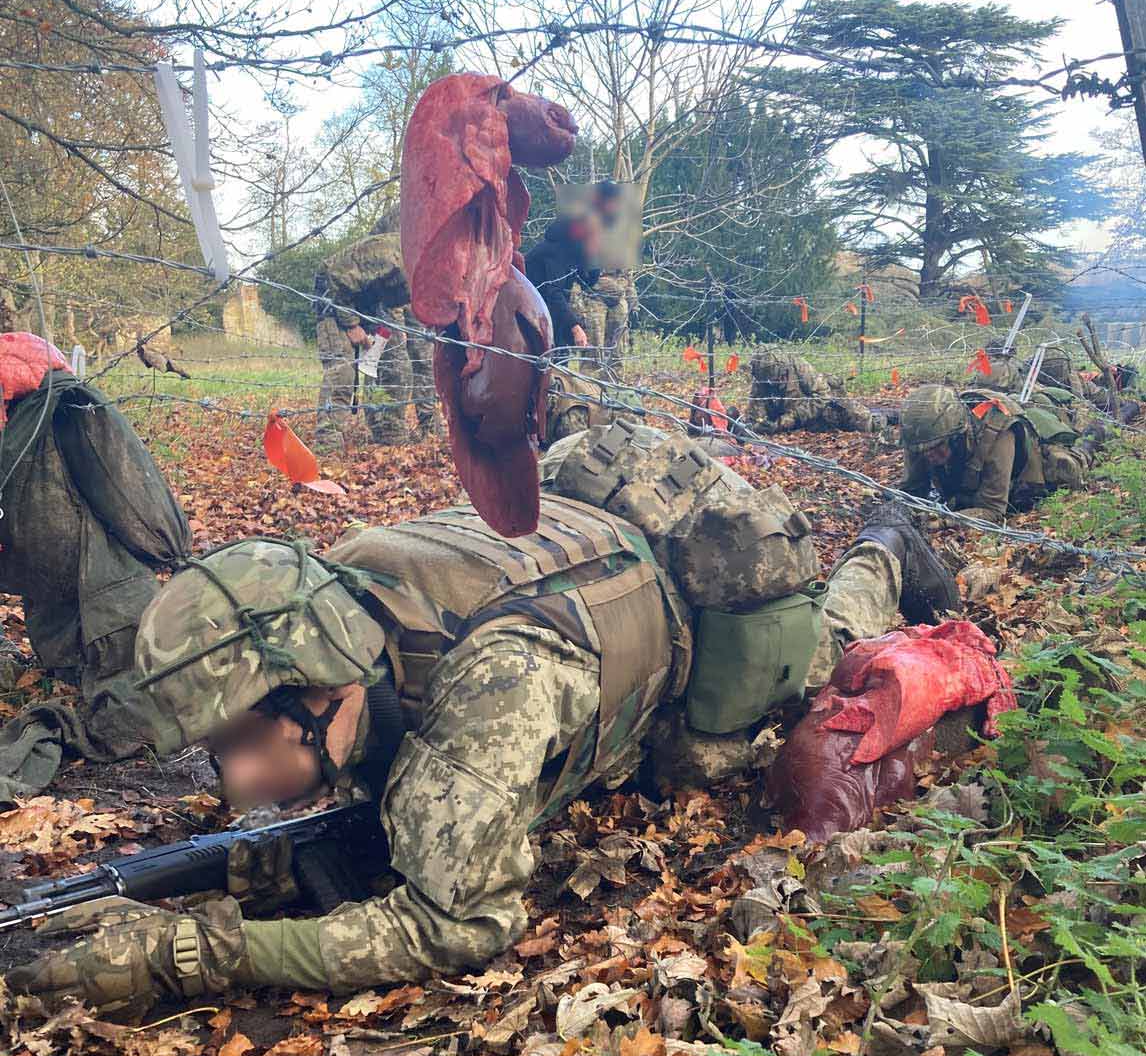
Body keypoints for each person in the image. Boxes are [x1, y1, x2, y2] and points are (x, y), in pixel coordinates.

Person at [6, 424, 959, 1016]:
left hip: (694, 636)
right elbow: (389, 794)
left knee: (808, 663)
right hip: (590, 569)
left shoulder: (485, 693)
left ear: (328, 689)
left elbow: (458, 923)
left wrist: (194, 952)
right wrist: (228, 872)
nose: (236, 783)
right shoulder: (336, 597)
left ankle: (882, 540)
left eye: (248, 743)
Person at [0, 333, 190, 799]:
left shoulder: (16, 423)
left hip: (42, 590)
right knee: (147, 696)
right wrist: (172, 552)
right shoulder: (73, 406)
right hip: (104, 591)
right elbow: (129, 492)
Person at [313, 210, 437, 451]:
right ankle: (327, 445)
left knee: (394, 366)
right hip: (334, 296)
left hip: (371, 305)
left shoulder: (430, 270)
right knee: (342, 372)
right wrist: (351, 323)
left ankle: (389, 433)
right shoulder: (393, 254)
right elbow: (335, 278)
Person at [899, 383, 1105, 523]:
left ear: (956, 436)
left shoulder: (997, 433)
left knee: (1070, 465)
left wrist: (945, 521)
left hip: (1036, 466)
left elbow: (993, 508)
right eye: (921, 451)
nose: (928, 456)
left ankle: (1100, 428)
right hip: (971, 484)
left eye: (937, 448)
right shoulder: (921, 437)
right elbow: (910, 492)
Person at [566, 181, 639, 365]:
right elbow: (573, 271)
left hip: (618, 300)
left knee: (616, 356)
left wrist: (632, 301)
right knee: (593, 357)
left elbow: (627, 270)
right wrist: (577, 308)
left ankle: (615, 392)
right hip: (593, 299)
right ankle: (590, 394)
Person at [747, 346, 875, 433]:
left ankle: (885, 417)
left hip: (816, 411)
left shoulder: (800, 367)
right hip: (791, 416)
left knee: (861, 421)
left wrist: (788, 419)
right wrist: (762, 425)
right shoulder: (761, 375)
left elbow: (823, 396)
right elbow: (755, 408)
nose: (772, 382)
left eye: (775, 377)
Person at [523, 210, 598, 351]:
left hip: (551, 313)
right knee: (554, 359)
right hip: (533, 315)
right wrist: (575, 327)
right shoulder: (554, 250)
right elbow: (554, 293)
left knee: (561, 356)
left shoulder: (574, 249)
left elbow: (587, 283)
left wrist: (593, 259)